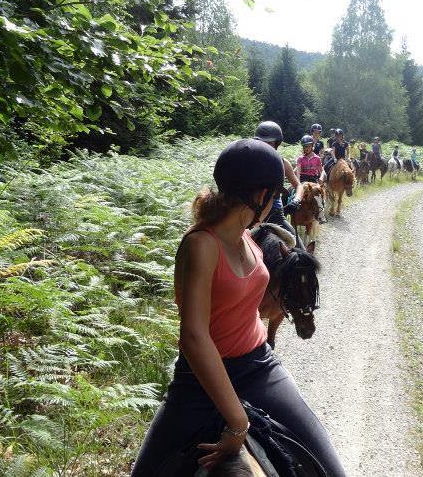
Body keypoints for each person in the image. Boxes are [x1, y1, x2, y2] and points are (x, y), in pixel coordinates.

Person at [131, 139, 345, 476]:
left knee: (330, 469)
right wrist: (236, 422)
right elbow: (194, 337)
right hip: (199, 379)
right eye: (274, 196)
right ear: (261, 196)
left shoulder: (249, 235)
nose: (274, 203)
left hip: (259, 366)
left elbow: (245, 304)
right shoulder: (201, 244)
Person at [253, 121, 301, 236]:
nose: (265, 146)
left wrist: (296, 200)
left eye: (269, 143)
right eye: (262, 142)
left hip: (275, 213)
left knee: (295, 243)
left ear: (276, 144)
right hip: (251, 211)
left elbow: (299, 185)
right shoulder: (252, 161)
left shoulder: (283, 163)